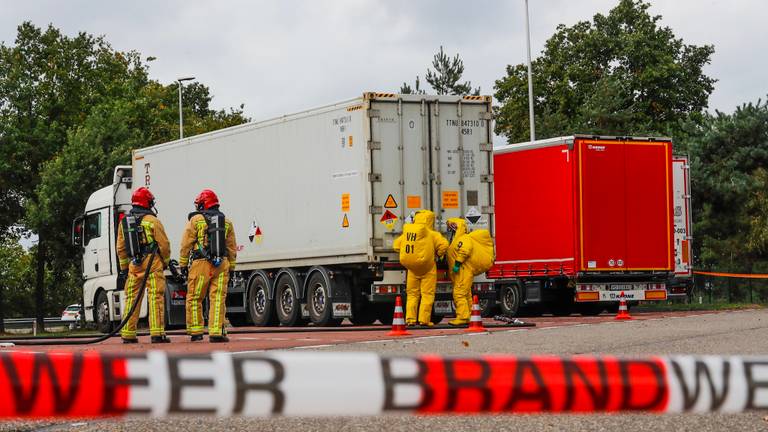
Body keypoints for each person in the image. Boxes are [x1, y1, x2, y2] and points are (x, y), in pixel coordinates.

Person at [179, 189, 237, 343]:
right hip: (222, 264)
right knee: (218, 299)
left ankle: (196, 332)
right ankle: (217, 332)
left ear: (202, 204)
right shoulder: (227, 222)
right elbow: (231, 247)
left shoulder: (195, 220)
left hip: (200, 264)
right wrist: (231, 267)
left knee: (195, 297)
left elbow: (186, 244)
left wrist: (183, 264)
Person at [116, 187, 172, 343]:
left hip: (134, 264)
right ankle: (157, 334)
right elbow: (164, 245)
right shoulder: (153, 221)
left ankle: (128, 334)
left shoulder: (124, 222)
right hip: (152, 262)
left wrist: (125, 268)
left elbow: (120, 247)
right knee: (155, 296)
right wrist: (165, 262)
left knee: (132, 298)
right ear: (147, 202)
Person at [393, 209, 448, 326]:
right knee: (427, 295)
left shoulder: (408, 234)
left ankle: (410, 320)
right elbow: (444, 245)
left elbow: (396, 246)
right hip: (428, 269)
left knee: (412, 295)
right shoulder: (433, 234)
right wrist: (438, 254)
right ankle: (424, 320)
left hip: (412, 269)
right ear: (430, 221)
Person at [445, 218, 494, 326]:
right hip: (462, 272)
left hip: (463, 271)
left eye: (451, 228)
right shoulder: (458, 239)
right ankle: (471, 315)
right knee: (466, 294)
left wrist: (457, 263)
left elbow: (465, 250)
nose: (449, 230)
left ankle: (462, 317)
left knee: (459, 294)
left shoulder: (462, 239)